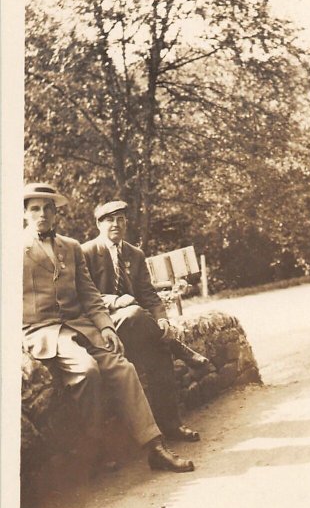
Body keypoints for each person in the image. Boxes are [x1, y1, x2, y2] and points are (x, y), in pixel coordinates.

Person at [22, 183, 194, 473]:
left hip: (82, 326)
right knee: (87, 371)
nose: (43, 214)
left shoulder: (71, 246)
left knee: (123, 368)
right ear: (25, 214)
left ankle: (155, 448)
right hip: (43, 331)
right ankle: (96, 448)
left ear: (55, 213)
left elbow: (88, 293)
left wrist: (105, 328)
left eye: (48, 208)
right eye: (35, 209)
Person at [81, 200, 208, 443]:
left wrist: (163, 321)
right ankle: (178, 347)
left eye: (121, 219)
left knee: (158, 351)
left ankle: (171, 425)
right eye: (110, 220)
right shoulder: (85, 253)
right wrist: (115, 301)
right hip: (102, 327)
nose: (116, 224)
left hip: (137, 328)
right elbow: (81, 294)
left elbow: (149, 295)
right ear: (98, 224)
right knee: (133, 312)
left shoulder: (134, 253)